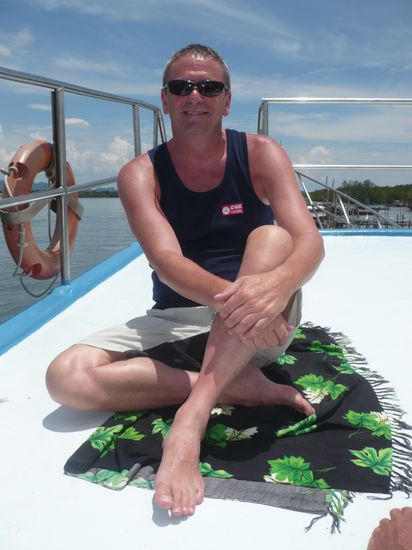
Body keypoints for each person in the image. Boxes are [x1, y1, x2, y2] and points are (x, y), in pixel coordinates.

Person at [46, 44, 324, 517]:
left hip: (259, 324)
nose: (195, 96)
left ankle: (191, 420)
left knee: (272, 238)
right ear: (165, 99)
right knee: (65, 378)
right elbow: (166, 262)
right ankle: (233, 386)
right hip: (188, 317)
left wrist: (275, 290)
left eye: (209, 87)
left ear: (227, 100)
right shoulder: (139, 174)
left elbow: (310, 242)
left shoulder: (261, 154)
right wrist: (236, 305)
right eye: (182, 87)